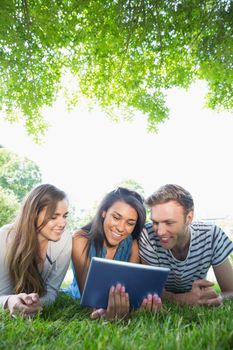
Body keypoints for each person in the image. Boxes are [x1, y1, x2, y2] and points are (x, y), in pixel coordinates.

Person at [64, 187, 162, 320]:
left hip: (117, 299)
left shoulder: (132, 244)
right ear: (104, 212)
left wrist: (139, 306)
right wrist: (104, 313)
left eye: (130, 223)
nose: (121, 228)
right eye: (116, 217)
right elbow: (89, 300)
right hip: (78, 295)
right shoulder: (80, 240)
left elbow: (133, 290)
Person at [139, 184, 233, 306]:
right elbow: (149, 291)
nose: (160, 232)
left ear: (189, 218)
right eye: (155, 222)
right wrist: (183, 299)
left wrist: (213, 300)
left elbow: (230, 291)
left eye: (169, 222)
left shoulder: (211, 235)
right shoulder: (147, 235)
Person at [0, 184, 72, 317]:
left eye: (65, 216)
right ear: (33, 214)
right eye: (54, 216)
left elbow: (51, 292)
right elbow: (2, 293)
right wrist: (9, 301)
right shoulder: (5, 236)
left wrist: (37, 305)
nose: (62, 223)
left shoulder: (65, 240)